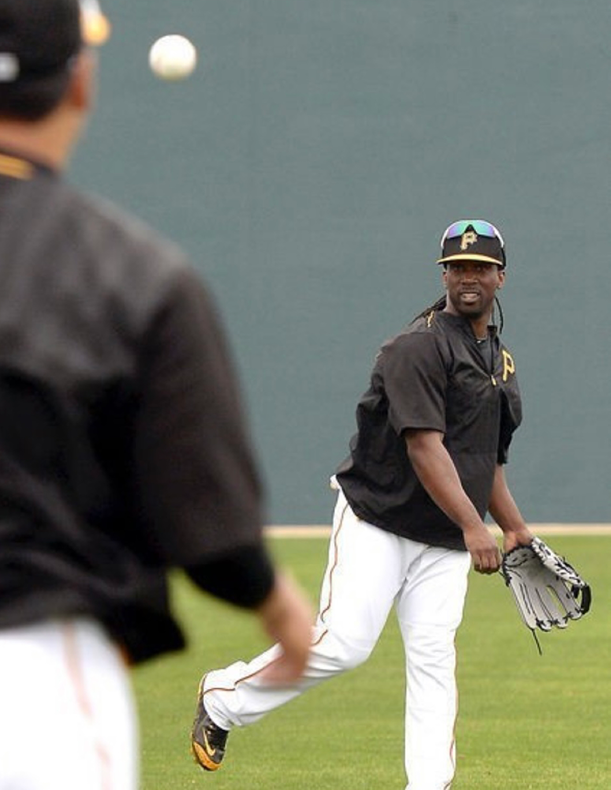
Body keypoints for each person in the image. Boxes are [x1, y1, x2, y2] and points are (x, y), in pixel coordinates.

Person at [0, 0, 313, 789]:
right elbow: (211, 530)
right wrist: (279, 612)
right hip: (29, 690)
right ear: (80, 85)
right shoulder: (134, 274)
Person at [191, 219, 536, 790]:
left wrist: (515, 528)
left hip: (445, 538)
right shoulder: (417, 348)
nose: (468, 276)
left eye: (480, 267)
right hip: (381, 518)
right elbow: (424, 447)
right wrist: (477, 527)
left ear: (501, 277)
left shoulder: (500, 363)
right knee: (343, 644)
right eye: (457, 266)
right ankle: (223, 699)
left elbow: (484, 460)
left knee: (434, 663)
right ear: (444, 275)